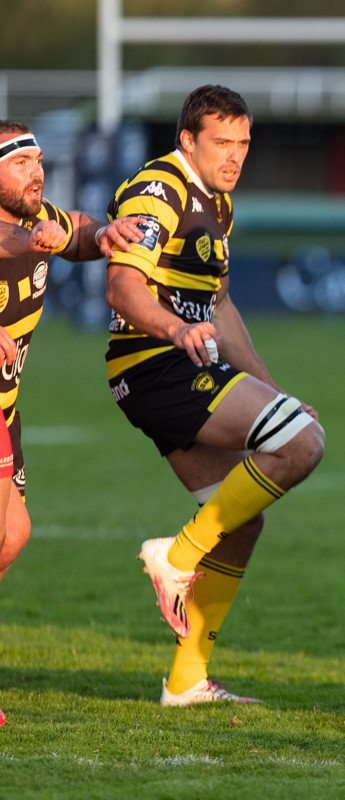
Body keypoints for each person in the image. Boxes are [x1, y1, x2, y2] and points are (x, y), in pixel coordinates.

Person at [104, 85, 325, 707]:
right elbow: (121, 289)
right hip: (157, 366)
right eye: (221, 143)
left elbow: (221, 305)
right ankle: (176, 554)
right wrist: (177, 329)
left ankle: (187, 679)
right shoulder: (158, 191)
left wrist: (276, 393)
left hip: (176, 367)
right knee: (304, 446)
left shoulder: (218, 204)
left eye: (243, 143)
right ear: (187, 140)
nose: (235, 156)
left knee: (243, 523)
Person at [0, 121, 144, 585]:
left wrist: (103, 234)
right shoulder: (20, 233)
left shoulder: (37, 220)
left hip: (7, 411)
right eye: (20, 163)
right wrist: (32, 240)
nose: (35, 172)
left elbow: (77, 231)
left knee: (13, 536)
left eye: (38, 161)